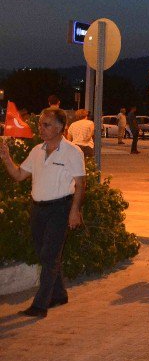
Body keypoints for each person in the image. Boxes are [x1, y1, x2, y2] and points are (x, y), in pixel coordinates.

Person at [0, 108, 85, 318]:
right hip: (38, 208)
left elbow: (81, 185)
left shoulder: (73, 152)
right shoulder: (37, 150)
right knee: (44, 253)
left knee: (50, 255)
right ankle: (59, 294)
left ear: (60, 128)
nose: (41, 128)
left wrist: (74, 211)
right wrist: (6, 158)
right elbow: (19, 175)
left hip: (59, 208)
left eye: (46, 125)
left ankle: (40, 304)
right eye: (40, 124)